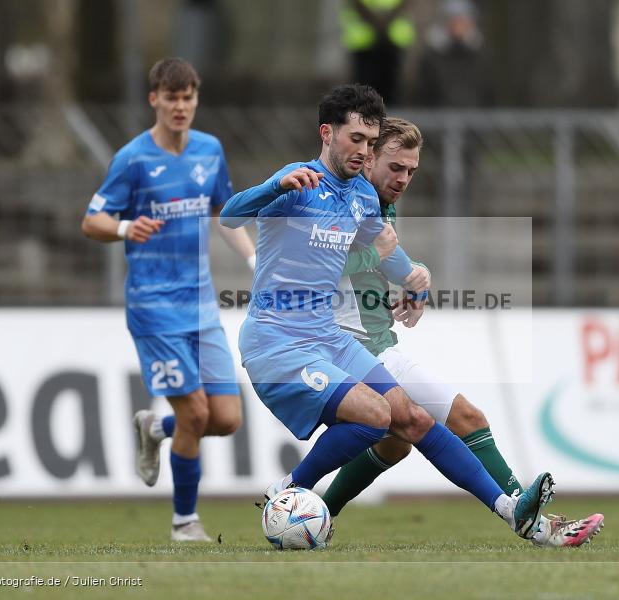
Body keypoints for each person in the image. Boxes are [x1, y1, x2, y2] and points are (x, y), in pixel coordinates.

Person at [220, 83, 554, 541]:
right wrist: (273, 186)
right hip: (277, 341)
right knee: (377, 417)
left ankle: (509, 509)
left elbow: (387, 253)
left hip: (329, 339)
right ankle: (291, 487)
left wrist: (415, 275)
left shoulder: (360, 197)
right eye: (355, 138)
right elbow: (229, 217)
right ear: (327, 133)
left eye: (370, 142)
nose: (363, 150)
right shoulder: (299, 180)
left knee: (412, 419)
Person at [325, 117, 605, 547]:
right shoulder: (346, 203)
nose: (403, 179)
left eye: (412, 171)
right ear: (368, 160)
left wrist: (417, 277)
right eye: (395, 167)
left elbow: (391, 257)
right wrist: (404, 270)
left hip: (380, 345)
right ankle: (531, 522)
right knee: (450, 422)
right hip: (351, 350)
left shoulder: (380, 204)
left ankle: (317, 513)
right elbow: (317, 266)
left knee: (405, 441)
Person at [81, 58, 256, 542]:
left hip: (200, 306)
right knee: (195, 413)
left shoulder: (209, 150)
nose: (180, 107)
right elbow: (91, 221)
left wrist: (252, 260)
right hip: (154, 306)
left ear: (196, 99)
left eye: (188, 97)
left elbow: (224, 211)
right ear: (154, 100)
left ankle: (157, 429)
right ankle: (185, 523)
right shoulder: (133, 159)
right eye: (171, 98)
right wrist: (123, 227)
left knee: (226, 419)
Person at [415, 0, 492, 107]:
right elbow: (422, 95)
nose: (459, 26)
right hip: (438, 120)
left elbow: (487, 93)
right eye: (454, 21)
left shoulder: (480, 57)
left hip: (476, 120)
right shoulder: (431, 58)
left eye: (463, 21)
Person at [341, 0, 415, 105]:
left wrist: (379, 22)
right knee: (363, 94)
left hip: (391, 40)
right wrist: (381, 22)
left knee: (390, 93)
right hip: (365, 42)